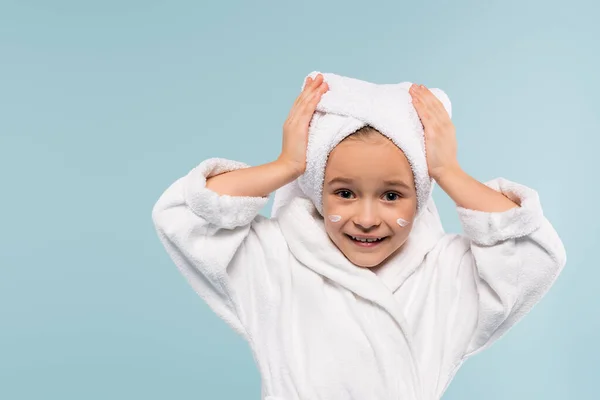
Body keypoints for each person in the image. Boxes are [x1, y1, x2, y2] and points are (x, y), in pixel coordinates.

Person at [151, 73, 566, 400]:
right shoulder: (277, 259)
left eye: (391, 195)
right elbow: (185, 214)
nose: (366, 219)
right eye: (344, 193)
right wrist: (288, 163)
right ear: (316, 188)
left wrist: (448, 172)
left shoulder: (447, 273)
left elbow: (533, 255)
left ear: (420, 198)